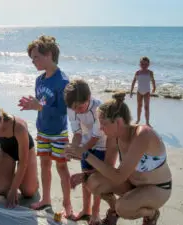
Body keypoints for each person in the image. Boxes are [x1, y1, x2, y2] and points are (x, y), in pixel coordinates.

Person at [65, 92, 172, 225]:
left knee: (123, 207)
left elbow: (118, 177)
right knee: (93, 182)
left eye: (103, 124)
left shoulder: (143, 135)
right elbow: (108, 170)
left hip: (157, 189)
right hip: (132, 185)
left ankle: (151, 214)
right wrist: (85, 176)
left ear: (119, 122)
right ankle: (113, 210)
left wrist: (86, 154)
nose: (101, 129)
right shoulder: (114, 137)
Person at [18, 35, 74, 218]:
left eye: (36, 57)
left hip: (58, 132)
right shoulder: (39, 80)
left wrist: (40, 106)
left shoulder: (63, 81)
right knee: (44, 165)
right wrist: (33, 105)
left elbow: (63, 111)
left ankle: (67, 204)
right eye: (32, 58)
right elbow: (41, 103)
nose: (33, 62)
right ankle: (46, 199)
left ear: (49, 54)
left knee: (61, 168)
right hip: (42, 129)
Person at [64, 79, 114, 225]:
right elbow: (77, 133)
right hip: (85, 141)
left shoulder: (100, 108)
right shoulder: (71, 108)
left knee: (95, 181)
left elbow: (95, 136)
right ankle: (86, 210)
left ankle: (96, 213)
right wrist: (72, 149)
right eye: (74, 109)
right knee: (86, 178)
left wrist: (80, 151)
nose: (77, 111)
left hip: (102, 144)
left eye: (80, 107)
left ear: (89, 97)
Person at [130, 56, 156, 126]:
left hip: (147, 92)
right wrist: (131, 91)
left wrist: (154, 87)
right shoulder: (138, 72)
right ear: (140, 64)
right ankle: (138, 119)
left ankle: (147, 122)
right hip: (139, 92)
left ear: (148, 64)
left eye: (146, 64)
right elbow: (133, 81)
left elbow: (153, 81)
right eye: (142, 64)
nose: (144, 66)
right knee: (139, 106)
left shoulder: (150, 72)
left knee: (146, 107)